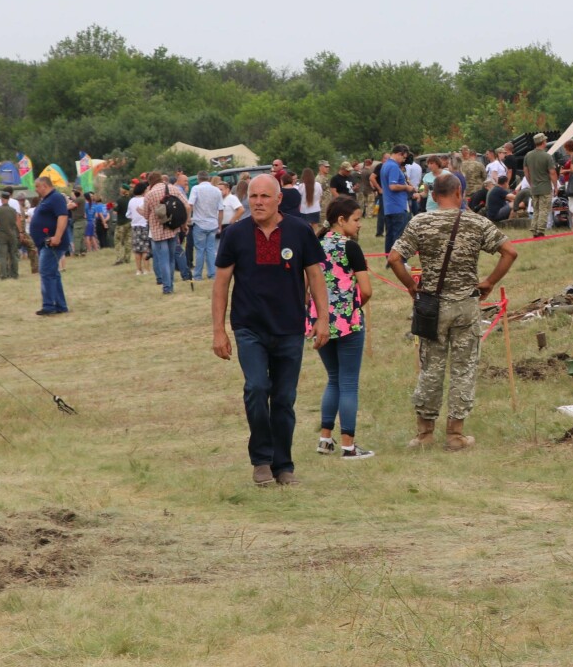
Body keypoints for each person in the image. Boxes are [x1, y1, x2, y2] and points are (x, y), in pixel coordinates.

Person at [213, 175, 329, 487]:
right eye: (253, 196)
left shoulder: (300, 230)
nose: (259, 202)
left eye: (265, 196)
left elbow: (316, 276)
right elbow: (221, 282)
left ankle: (284, 465)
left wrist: (323, 318)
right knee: (256, 388)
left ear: (279, 199)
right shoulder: (235, 234)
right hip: (249, 327)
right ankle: (261, 460)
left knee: (283, 398)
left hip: (290, 327)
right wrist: (218, 331)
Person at [386, 173, 517, 451]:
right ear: (460, 192)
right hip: (466, 305)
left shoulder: (420, 222)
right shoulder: (476, 221)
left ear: (433, 195)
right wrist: (490, 282)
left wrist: (411, 286)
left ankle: (424, 434)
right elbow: (509, 252)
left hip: (432, 306)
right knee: (463, 368)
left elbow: (395, 258)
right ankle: (455, 435)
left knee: (431, 368)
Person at [309, 198, 374, 460]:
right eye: (356, 219)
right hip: (348, 322)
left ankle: (325, 439)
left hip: (319, 321)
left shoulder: (315, 245)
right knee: (348, 382)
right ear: (341, 220)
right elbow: (366, 289)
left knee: (333, 379)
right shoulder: (351, 248)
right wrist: (354, 307)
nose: (359, 225)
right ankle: (349, 444)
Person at [141, 173, 191, 293]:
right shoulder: (173, 189)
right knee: (171, 259)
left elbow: (147, 215)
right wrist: (184, 223)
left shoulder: (150, 194)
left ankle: (167, 287)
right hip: (173, 228)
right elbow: (187, 207)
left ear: (150, 182)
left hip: (158, 232)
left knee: (163, 259)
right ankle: (171, 283)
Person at [30, 175, 69, 315]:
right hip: (45, 243)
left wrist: (57, 236)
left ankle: (49, 306)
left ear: (45, 185)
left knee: (46, 272)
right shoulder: (46, 199)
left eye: (37, 186)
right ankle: (60, 305)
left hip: (53, 243)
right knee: (53, 274)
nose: (36, 189)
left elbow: (63, 216)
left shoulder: (56, 197)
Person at [378, 144, 416, 251]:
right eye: (403, 157)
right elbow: (393, 186)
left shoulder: (385, 165)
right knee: (399, 236)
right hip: (398, 206)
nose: (404, 160)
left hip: (389, 207)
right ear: (399, 154)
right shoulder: (394, 166)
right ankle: (399, 261)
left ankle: (389, 259)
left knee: (390, 235)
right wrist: (407, 187)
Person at [188, 171, 223, 280]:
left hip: (199, 223)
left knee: (200, 250)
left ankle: (198, 275)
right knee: (211, 250)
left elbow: (190, 205)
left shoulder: (196, 189)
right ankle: (212, 273)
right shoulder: (217, 190)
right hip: (213, 223)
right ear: (208, 178)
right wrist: (220, 225)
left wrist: (188, 218)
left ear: (198, 179)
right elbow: (221, 210)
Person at [522, 134, 558, 237]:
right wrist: (555, 186)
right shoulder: (547, 156)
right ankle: (540, 231)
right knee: (544, 210)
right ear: (543, 142)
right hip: (545, 187)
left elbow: (526, 171)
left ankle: (534, 229)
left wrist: (531, 183)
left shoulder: (528, 155)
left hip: (534, 187)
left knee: (536, 209)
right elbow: (552, 172)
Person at [0, 190, 22, 279]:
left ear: (1, 199)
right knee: (14, 255)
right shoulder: (13, 210)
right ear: (8, 198)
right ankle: (15, 274)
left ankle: (3, 274)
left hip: (2, 235)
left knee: (3, 256)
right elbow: (18, 221)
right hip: (13, 234)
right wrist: (20, 232)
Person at [128, 181, 151, 276]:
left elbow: (128, 215)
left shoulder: (131, 201)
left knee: (137, 250)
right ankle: (147, 269)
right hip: (144, 225)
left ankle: (138, 270)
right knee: (145, 249)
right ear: (143, 191)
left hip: (134, 226)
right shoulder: (145, 199)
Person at [113, 184, 133, 265]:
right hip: (129, 222)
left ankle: (119, 258)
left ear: (122, 190)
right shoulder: (130, 200)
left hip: (121, 223)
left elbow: (115, 211)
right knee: (128, 241)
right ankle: (127, 258)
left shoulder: (119, 200)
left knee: (118, 241)